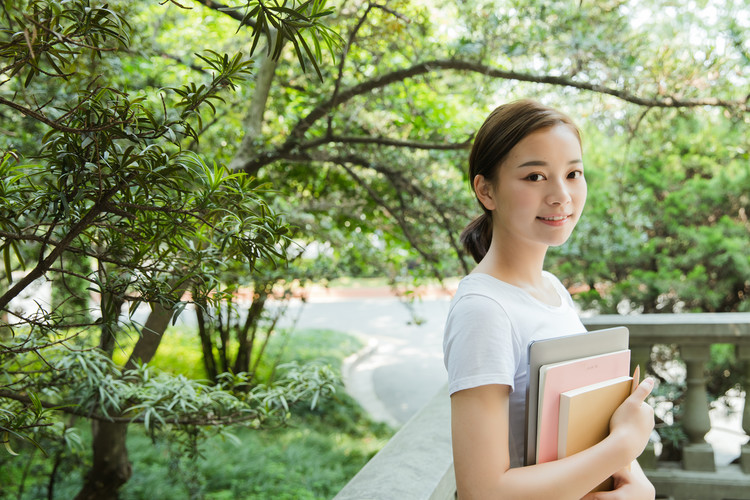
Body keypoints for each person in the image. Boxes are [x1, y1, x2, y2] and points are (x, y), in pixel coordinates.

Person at [443, 99, 656, 499]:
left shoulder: (553, 290)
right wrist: (624, 445)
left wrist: (637, 485)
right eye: (535, 176)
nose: (561, 195)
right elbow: (483, 491)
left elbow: (580, 427)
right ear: (486, 190)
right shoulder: (484, 311)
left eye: (573, 173)